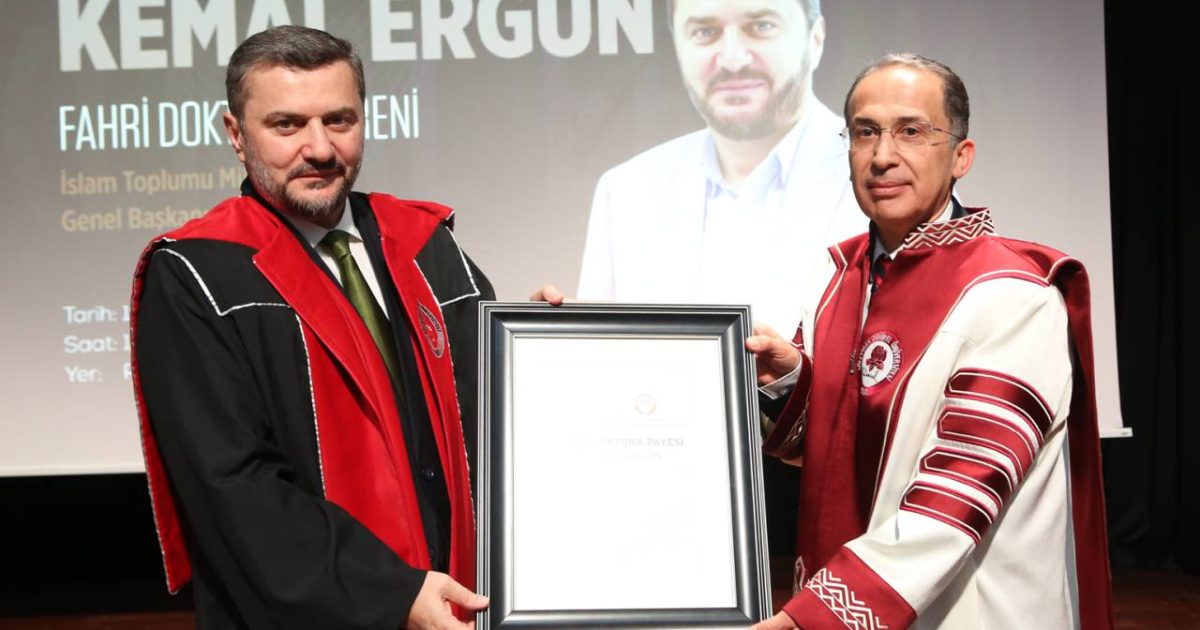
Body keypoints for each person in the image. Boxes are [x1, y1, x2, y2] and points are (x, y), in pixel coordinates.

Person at [130, 26, 492, 629]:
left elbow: (488, 422)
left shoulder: (425, 246)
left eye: (339, 120)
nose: (320, 148)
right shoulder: (198, 274)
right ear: (236, 135)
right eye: (287, 124)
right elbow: (235, 488)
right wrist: (393, 595)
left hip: (460, 604)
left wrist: (541, 348)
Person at [746, 54, 1113, 629]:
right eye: (865, 132)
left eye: (912, 132)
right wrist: (791, 378)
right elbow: (834, 452)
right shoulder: (838, 277)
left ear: (961, 156)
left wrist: (809, 619)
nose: (882, 155)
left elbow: (960, 487)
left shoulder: (1013, 295)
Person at [576, 0, 864, 335]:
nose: (732, 59)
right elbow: (602, 352)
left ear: (815, 38)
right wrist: (556, 333)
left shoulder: (876, 176)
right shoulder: (625, 190)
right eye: (705, 32)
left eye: (761, 27)